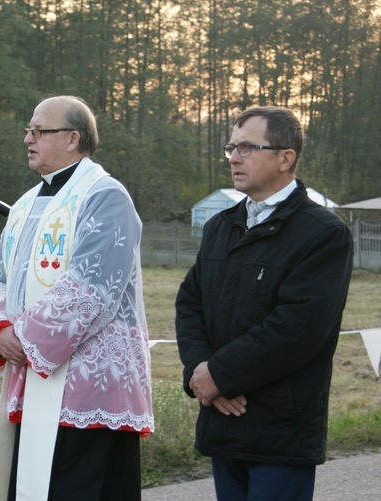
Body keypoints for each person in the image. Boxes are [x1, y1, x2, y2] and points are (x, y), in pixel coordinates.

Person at [0, 95, 154, 501]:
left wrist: (26, 340)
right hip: (33, 373)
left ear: (73, 138)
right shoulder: (23, 204)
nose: (27, 139)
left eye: (39, 131)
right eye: (28, 130)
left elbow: (93, 286)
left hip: (86, 384)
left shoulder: (105, 196)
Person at [175, 106, 354, 500]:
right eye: (231, 148)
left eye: (247, 148)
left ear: (285, 158)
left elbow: (298, 329)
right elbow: (190, 304)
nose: (234, 158)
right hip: (222, 422)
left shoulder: (322, 234)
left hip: (280, 432)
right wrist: (200, 372)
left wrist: (219, 374)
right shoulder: (221, 226)